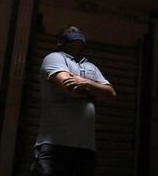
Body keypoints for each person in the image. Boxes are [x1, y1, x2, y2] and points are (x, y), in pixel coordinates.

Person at [32, 25, 117, 176]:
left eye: (78, 31)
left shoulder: (92, 67)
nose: (76, 33)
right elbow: (70, 89)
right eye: (70, 31)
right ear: (60, 41)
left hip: (86, 149)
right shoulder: (55, 57)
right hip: (54, 146)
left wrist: (87, 83)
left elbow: (111, 94)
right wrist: (96, 92)